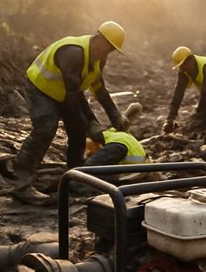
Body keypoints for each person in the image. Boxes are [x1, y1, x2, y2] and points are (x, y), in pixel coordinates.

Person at [12, 21, 130, 204]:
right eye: (104, 47)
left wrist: (115, 116)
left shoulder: (99, 59)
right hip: (41, 89)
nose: (105, 52)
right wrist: (91, 123)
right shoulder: (73, 53)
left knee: (77, 132)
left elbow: (99, 89)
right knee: (45, 128)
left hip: (66, 92)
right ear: (98, 37)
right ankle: (22, 184)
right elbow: (74, 95)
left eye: (110, 51)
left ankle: (78, 178)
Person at [162, 46, 206, 141]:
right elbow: (178, 93)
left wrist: (197, 115)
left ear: (191, 59)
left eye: (184, 65)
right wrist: (170, 118)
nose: (183, 69)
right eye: (180, 66)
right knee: (201, 116)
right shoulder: (184, 70)